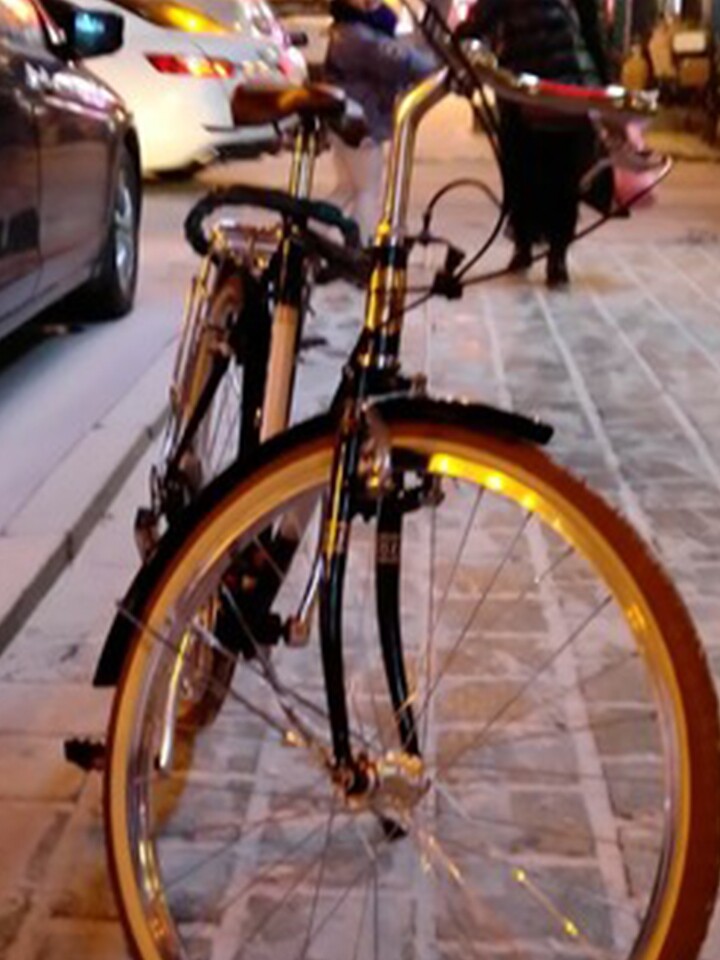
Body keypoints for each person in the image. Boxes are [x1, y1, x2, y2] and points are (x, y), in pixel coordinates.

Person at [458, 0, 610, 287]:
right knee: (533, 174)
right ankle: (535, 249)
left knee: (551, 175)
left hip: (553, 91)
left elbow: (589, 33)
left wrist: (604, 92)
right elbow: (481, 21)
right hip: (531, 93)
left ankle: (549, 253)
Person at [323, 0, 437, 243]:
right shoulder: (358, 35)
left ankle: (307, 229)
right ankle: (360, 245)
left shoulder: (352, 30)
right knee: (366, 190)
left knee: (348, 187)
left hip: (350, 120)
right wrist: (440, 64)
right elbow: (404, 63)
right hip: (360, 123)